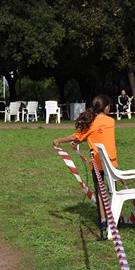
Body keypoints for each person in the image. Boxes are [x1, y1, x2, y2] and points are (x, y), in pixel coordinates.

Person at [52, 94, 117, 240]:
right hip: (112, 166)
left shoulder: (90, 124)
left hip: (98, 165)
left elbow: (77, 137)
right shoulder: (111, 121)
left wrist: (58, 140)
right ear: (106, 108)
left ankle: (103, 223)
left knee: (100, 193)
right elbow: (99, 135)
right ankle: (115, 215)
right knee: (112, 191)